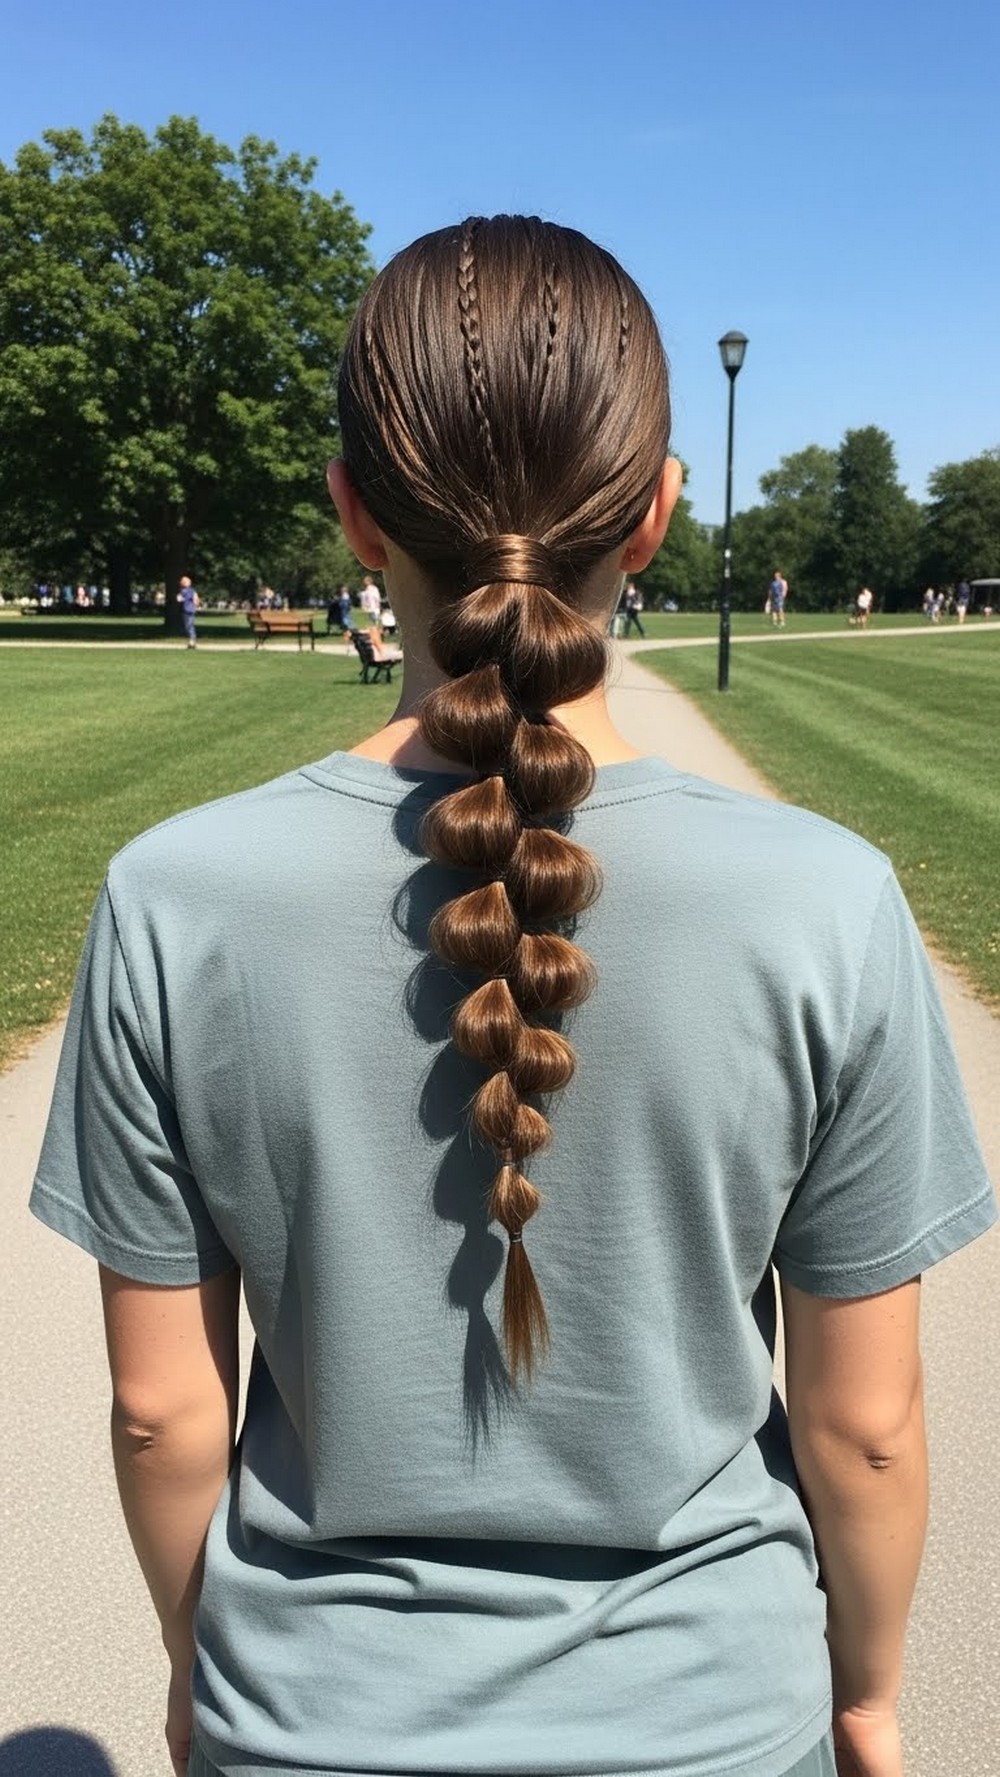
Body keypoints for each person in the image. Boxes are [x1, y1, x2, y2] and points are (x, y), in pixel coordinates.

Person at [29, 217, 995, 1777]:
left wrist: (196, 1672)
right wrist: (869, 1700)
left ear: (353, 517)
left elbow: (161, 1414)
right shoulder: (828, 902)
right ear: (658, 514)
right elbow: (863, 1427)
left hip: (307, 1726)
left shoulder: (172, 898)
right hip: (716, 1732)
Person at [177, 575, 198, 647]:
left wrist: (195, 603)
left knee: (190, 625)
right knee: (187, 626)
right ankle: (191, 640)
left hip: (190, 610)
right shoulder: (183, 591)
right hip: (186, 610)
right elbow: (179, 598)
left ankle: (192, 640)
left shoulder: (191, 591)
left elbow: (195, 598)